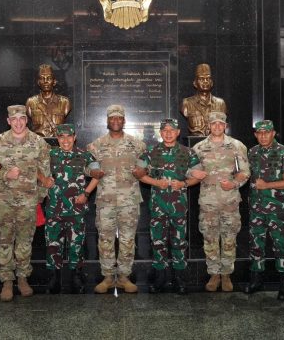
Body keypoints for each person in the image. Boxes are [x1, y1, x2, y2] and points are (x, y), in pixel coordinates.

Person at [0, 105, 54, 302]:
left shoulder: (38, 142)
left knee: (25, 242)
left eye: (22, 118)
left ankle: (23, 278)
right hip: (3, 202)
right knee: (5, 241)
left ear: (26, 120)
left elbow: (45, 173)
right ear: (8, 121)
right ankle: (7, 281)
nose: (18, 123)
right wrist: (5, 174)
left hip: (28, 202)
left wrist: (40, 197)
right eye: (14, 119)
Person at [136, 118, 201, 294]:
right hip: (158, 205)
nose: (168, 133)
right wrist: (155, 182)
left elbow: (200, 174)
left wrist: (185, 184)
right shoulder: (150, 152)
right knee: (158, 241)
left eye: (172, 130)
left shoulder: (188, 153)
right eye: (165, 130)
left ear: (178, 132)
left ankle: (180, 278)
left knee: (179, 241)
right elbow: (138, 173)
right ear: (160, 132)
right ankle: (160, 277)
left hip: (179, 206)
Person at [87, 104, 146, 294]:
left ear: (124, 120)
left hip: (129, 201)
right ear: (107, 120)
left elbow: (145, 165)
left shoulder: (137, 144)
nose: (115, 121)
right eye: (112, 118)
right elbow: (88, 166)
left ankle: (123, 277)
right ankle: (107, 277)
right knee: (105, 239)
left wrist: (144, 170)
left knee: (128, 240)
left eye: (119, 118)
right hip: (105, 201)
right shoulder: (96, 145)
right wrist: (91, 171)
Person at [192, 111, 249, 292]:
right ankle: (213, 274)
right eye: (214, 124)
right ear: (208, 126)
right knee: (209, 238)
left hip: (229, 201)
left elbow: (245, 172)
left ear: (225, 126)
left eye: (220, 124)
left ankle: (226, 274)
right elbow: (189, 170)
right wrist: (193, 173)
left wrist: (233, 183)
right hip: (208, 202)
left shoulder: (237, 146)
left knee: (229, 238)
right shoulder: (199, 148)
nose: (217, 127)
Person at [45, 123, 100, 294]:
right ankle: (54, 276)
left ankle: (77, 274)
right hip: (54, 208)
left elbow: (98, 175)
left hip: (76, 209)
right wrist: (44, 181)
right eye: (62, 137)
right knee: (53, 243)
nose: (66, 140)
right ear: (57, 138)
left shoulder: (85, 155)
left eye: (69, 136)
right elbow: (36, 170)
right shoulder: (50, 155)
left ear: (74, 137)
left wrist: (86, 193)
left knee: (76, 244)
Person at [245, 120, 284, 300]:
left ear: (274, 133)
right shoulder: (251, 153)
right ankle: (256, 280)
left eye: (267, 132)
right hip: (256, 207)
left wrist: (267, 185)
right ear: (256, 135)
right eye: (260, 133)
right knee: (255, 243)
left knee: (281, 245)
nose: (263, 136)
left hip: (277, 208)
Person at [181, 63, 228, 136]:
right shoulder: (186, 103)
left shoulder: (221, 103)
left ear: (211, 83)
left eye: (208, 79)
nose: (205, 81)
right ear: (195, 83)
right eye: (201, 79)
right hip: (195, 143)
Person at [26, 64, 72, 137]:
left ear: (54, 82)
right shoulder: (31, 102)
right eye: (42, 78)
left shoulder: (65, 102)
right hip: (38, 144)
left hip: (57, 143)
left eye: (49, 78)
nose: (45, 81)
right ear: (38, 82)